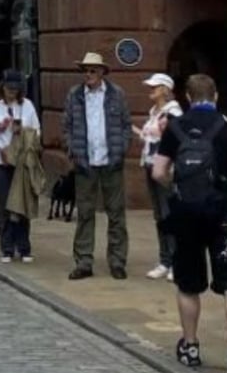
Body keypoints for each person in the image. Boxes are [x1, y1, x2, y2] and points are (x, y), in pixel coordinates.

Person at [152, 73, 227, 373]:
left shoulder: (175, 128)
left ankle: (191, 346)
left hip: (186, 215)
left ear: (187, 96)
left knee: (188, 283)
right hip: (223, 215)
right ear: (216, 96)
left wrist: (178, 188)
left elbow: (158, 171)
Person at [63, 52, 132, 280]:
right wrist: (72, 149)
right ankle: (83, 261)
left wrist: (121, 148)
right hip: (85, 162)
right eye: (85, 71)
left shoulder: (116, 94)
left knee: (116, 215)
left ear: (102, 72)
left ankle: (117, 261)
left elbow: (125, 125)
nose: (88, 75)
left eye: (92, 70)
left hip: (111, 160)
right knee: (84, 214)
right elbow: (67, 127)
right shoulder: (75, 95)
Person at [0, 70, 40, 262]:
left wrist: (24, 131)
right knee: (7, 202)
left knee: (21, 202)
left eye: (15, 89)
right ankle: (7, 247)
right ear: (2, 87)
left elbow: (37, 131)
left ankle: (24, 246)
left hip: (21, 160)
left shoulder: (27, 106)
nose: (11, 93)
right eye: (8, 89)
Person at [133, 73, 183, 281]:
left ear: (165, 89)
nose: (150, 90)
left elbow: (175, 140)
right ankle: (165, 260)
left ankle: (176, 261)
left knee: (168, 213)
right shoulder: (154, 111)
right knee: (159, 215)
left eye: (154, 86)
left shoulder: (173, 112)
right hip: (149, 165)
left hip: (166, 170)